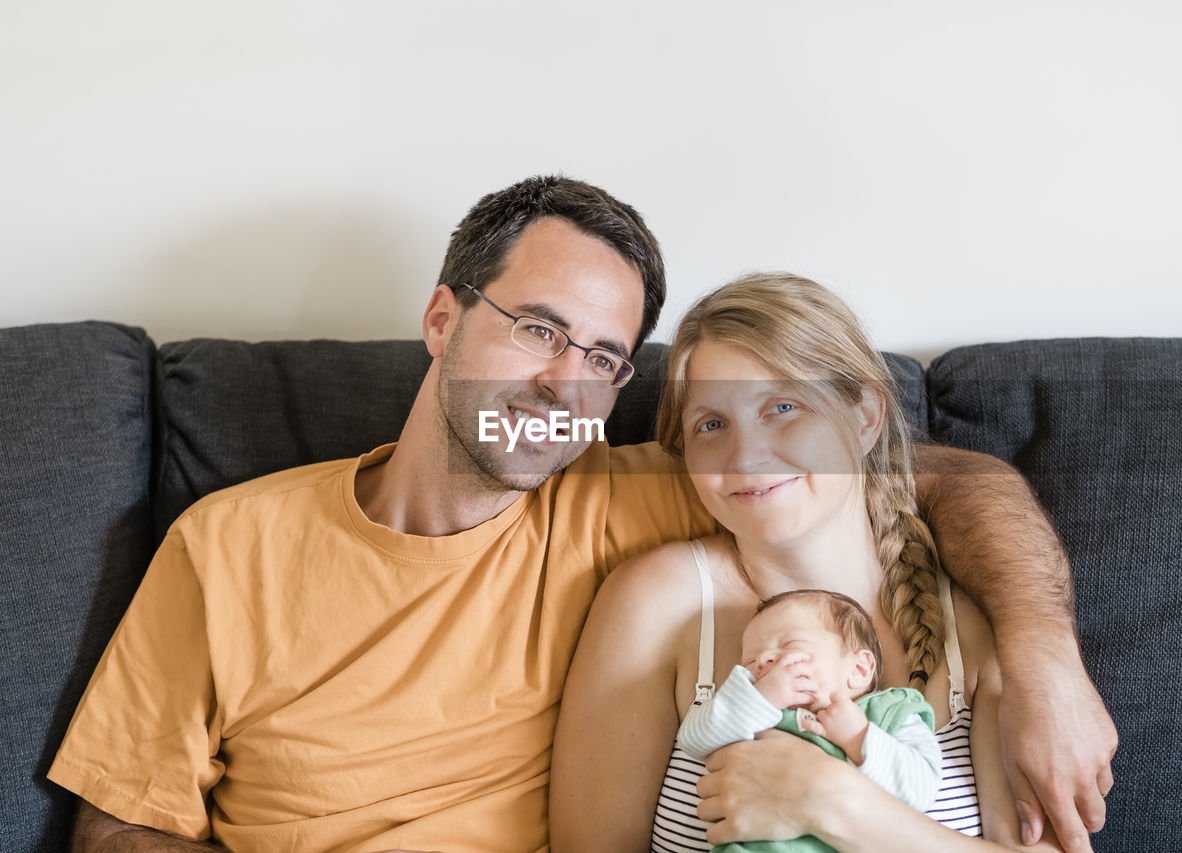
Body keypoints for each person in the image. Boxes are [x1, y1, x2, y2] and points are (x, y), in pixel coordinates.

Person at [47, 177, 1113, 853]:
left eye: (603, 358)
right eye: (538, 330)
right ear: (440, 316)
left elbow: (931, 478)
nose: (565, 385)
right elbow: (126, 814)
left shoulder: (640, 496)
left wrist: (1046, 658)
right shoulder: (229, 542)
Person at [550, 272, 1112, 852]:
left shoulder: (975, 623)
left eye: (783, 406)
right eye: (711, 424)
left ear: (865, 417)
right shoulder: (659, 603)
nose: (747, 456)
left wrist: (831, 803)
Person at [678, 588, 942, 847]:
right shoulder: (752, 712)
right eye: (750, 661)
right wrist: (758, 698)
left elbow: (922, 789)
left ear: (859, 669)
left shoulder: (888, 712)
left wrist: (860, 738)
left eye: (790, 645)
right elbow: (692, 739)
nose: (763, 661)